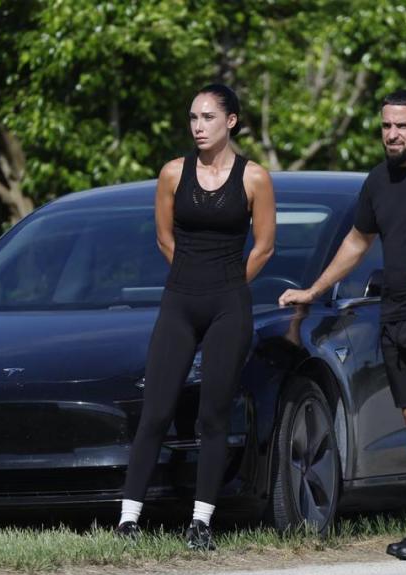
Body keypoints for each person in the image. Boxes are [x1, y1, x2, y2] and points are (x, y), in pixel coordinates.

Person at [279, 90, 406, 560]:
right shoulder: (377, 181)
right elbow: (356, 241)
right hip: (395, 314)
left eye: (402, 126)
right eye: (386, 126)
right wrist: (312, 289)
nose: (392, 134)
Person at [115, 84, 276, 551]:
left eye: (207, 117)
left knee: (213, 414)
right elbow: (165, 238)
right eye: (192, 118)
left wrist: (227, 282)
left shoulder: (255, 179)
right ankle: (128, 520)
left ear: (231, 122)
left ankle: (201, 521)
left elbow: (264, 246)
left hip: (230, 304)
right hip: (179, 301)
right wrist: (192, 278)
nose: (198, 126)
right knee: (157, 409)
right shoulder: (171, 173)